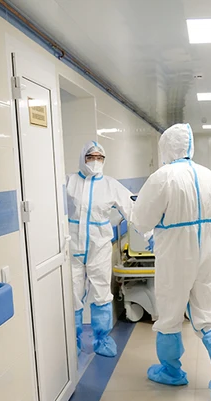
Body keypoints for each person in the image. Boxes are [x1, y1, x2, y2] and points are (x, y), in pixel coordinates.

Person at [131, 123, 211, 401]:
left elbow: (141, 219)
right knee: (208, 306)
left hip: (175, 249)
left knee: (170, 310)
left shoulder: (163, 176)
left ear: (166, 147)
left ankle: (171, 371)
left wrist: (158, 229)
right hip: (207, 245)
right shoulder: (208, 175)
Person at [67, 141, 133, 357]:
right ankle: (73, 340)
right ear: (82, 158)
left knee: (102, 292)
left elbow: (132, 209)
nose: (95, 161)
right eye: (90, 157)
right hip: (72, 249)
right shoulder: (69, 182)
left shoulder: (110, 185)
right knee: (72, 294)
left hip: (99, 247)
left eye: (99, 158)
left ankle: (102, 340)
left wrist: (150, 234)